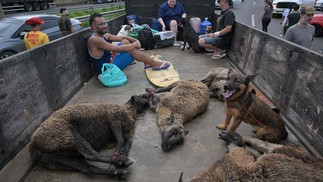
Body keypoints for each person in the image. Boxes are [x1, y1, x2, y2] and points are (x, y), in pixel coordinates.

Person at [87, 13, 170, 75]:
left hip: (110, 63)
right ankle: (154, 63)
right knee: (129, 49)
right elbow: (116, 49)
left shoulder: (104, 35)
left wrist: (134, 40)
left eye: (104, 23)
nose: (104, 26)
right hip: (107, 71)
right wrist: (134, 45)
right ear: (93, 26)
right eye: (101, 24)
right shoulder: (95, 40)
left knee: (125, 42)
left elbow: (122, 38)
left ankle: (147, 62)